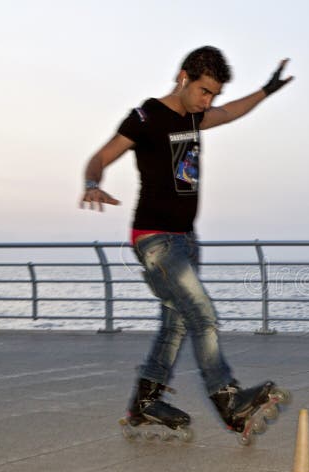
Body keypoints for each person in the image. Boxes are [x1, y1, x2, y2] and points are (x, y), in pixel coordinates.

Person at [80, 46, 294, 437]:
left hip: (187, 240)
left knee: (176, 323)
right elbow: (101, 156)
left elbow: (231, 113)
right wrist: (93, 183)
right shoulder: (146, 116)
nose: (208, 101)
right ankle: (227, 399)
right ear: (184, 77)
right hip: (156, 240)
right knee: (202, 313)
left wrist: (266, 90)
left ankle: (144, 401)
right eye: (204, 91)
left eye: (213, 94)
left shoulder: (196, 115)